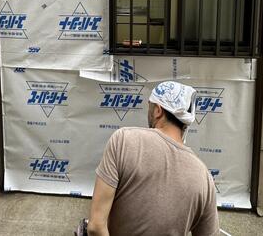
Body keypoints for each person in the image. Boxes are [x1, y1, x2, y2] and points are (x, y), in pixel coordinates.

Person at [86, 81, 219, 236]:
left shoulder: (124, 140)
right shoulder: (204, 176)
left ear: (158, 110)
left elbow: (95, 227)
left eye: (150, 105)